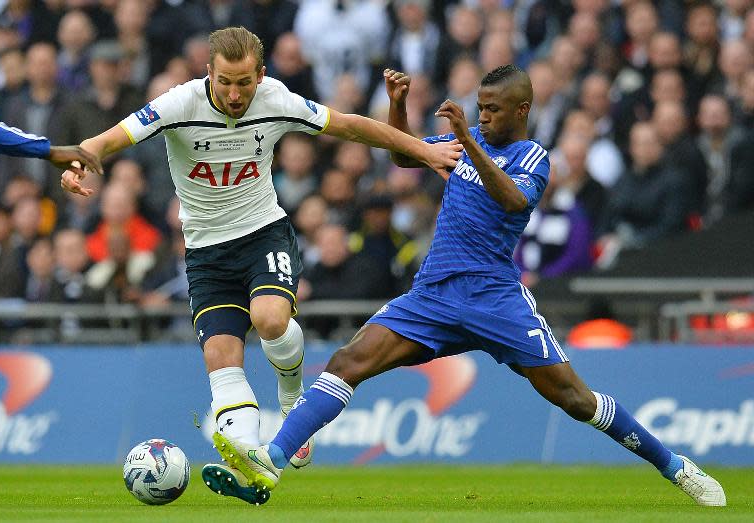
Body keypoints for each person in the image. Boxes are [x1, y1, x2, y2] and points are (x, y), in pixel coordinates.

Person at [216, 65, 727, 508]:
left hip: (495, 298)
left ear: (521, 109)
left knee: (575, 399)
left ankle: (675, 466)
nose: (482, 117)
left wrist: (467, 141)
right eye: (479, 108)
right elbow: (403, 157)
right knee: (349, 362)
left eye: (492, 110)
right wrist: (399, 107)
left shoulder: (533, 157)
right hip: (434, 294)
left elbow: (511, 202)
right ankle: (271, 463)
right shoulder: (467, 140)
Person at [59, 27, 461, 506]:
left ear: (261, 75)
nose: (235, 93)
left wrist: (424, 150)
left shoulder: (277, 98)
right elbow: (106, 139)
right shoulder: (179, 104)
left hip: (262, 234)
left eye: (245, 82)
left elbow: (354, 126)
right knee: (221, 358)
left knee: (271, 320)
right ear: (208, 73)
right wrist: (80, 163)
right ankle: (249, 456)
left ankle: (293, 398)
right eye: (225, 81)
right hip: (207, 255)